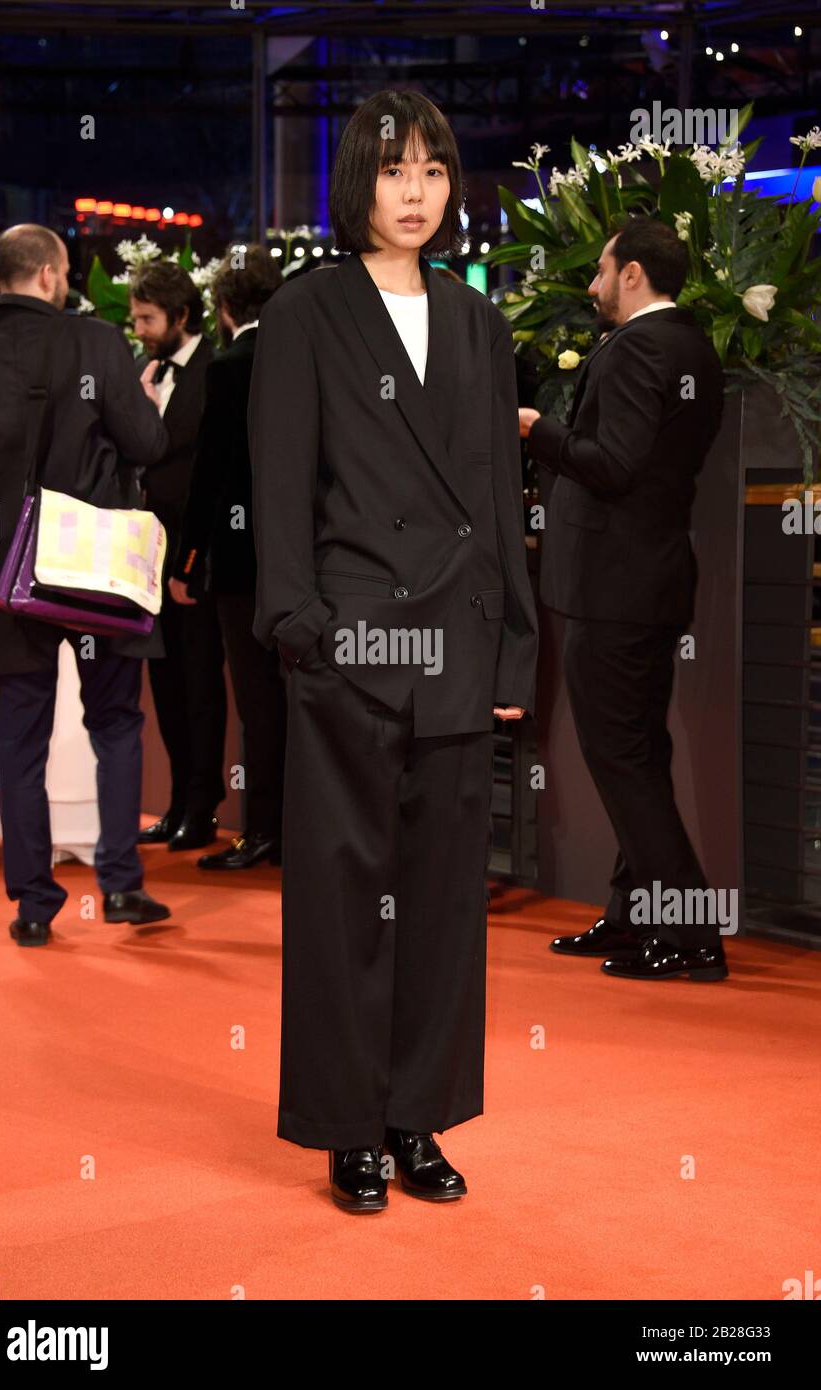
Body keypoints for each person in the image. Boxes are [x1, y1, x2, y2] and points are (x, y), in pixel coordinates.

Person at [248, 90, 539, 1211]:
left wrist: (513, 653)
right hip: (351, 646)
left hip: (460, 653)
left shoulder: (479, 322)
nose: (413, 192)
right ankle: (347, 1127)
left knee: (443, 906)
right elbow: (281, 485)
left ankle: (417, 1116)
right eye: (390, 170)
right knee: (339, 897)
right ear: (356, 186)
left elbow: (495, 502)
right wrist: (298, 626)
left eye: (430, 170)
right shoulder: (308, 313)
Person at [523, 216, 727, 982]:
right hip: (642, 580)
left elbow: (615, 465)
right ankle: (636, 914)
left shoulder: (644, 345)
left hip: (620, 587)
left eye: (603, 269)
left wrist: (538, 429)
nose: (593, 283)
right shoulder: (691, 345)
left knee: (623, 755)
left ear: (633, 273)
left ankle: (691, 934)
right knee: (637, 752)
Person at [0, 223, 171, 946]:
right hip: (93, 570)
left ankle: (33, 906)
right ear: (51, 274)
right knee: (115, 724)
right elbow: (148, 445)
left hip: (3, 571)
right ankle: (119, 887)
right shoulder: (99, 345)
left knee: (18, 744)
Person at [169, 249, 286, 871]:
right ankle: (300, 830)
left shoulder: (230, 365)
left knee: (258, 699)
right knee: (302, 700)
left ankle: (263, 828)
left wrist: (186, 561)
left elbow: (208, 477)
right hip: (310, 559)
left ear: (221, 309)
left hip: (243, 565)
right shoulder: (306, 357)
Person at [129, 263, 228, 852]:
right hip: (148, 548)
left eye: (147, 318)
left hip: (195, 547)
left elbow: (207, 472)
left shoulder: (215, 372)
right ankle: (174, 804)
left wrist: (194, 557)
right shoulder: (145, 371)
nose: (138, 328)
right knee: (162, 675)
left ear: (181, 317)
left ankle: (203, 803)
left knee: (198, 678)